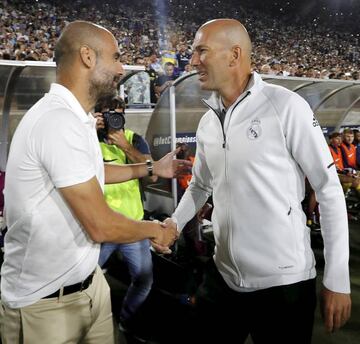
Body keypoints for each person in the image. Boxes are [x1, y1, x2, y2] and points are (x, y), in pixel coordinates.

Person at [0, 20, 190, 344]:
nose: (121, 67)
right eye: (115, 57)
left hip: (91, 289)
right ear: (87, 57)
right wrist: (157, 229)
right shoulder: (57, 121)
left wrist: (149, 167)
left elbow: (92, 172)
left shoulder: (80, 118)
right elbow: (100, 226)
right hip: (47, 306)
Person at [165, 19, 351, 343]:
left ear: (234, 55)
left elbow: (328, 189)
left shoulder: (286, 107)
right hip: (222, 276)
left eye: (202, 51)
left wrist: (336, 278)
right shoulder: (208, 122)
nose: (193, 61)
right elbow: (199, 185)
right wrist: (174, 223)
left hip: (284, 286)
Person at [94, 95, 156, 335]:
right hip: (101, 227)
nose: (115, 119)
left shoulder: (133, 140)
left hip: (133, 226)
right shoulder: (88, 139)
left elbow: (152, 175)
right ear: (99, 115)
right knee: (83, 280)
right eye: (109, 113)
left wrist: (126, 148)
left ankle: (127, 323)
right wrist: (89, 128)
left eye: (119, 114)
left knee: (143, 279)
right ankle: (92, 324)